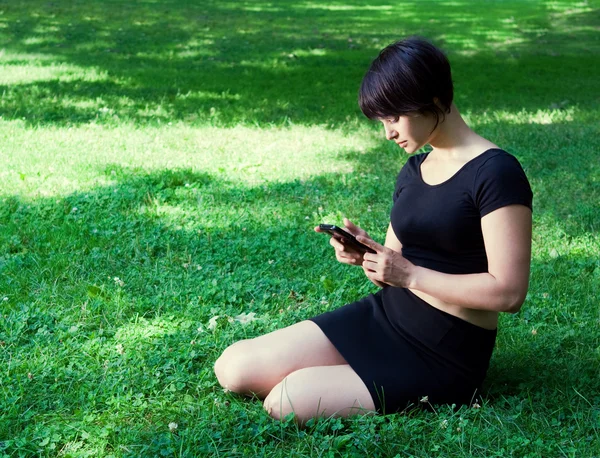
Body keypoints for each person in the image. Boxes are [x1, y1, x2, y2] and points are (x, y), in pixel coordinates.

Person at [213, 37, 533, 423]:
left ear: (431, 98)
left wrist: (410, 274)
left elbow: (509, 292)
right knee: (234, 367)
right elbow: (393, 270)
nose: (388, 133)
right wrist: (366, 255)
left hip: (445, 352)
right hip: (388, 317)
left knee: (286, 402)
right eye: (381, 121)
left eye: (393, 118)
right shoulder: (414, 170)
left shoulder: (496, 172)